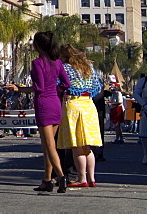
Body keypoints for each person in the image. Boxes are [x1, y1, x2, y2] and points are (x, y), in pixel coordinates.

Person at [4, 30, 69, 192]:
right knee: (48, 145)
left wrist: (19, 89)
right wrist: (56, 89)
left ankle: (61, 177)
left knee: (49, 145)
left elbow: (38, 87)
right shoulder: (57, 63)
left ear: (38, 45)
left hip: (44, 103)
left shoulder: (38, 63)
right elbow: (66, 84)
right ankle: (47, 180)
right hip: (55, 102)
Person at [58, 45, 103, 188]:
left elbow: (59, 84)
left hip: (73, 104)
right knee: (87, 147)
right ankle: (92, 178)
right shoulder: (88, 67)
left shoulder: (65, 68)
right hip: (88, 104)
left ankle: (81, 178)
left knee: (77, 145)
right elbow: (98, 86)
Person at [132, 72, 147, 165]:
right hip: (145, 109)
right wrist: (144, 105)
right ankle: (146, 154)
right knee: (144, 134)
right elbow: (136, 94)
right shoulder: (143, 81)